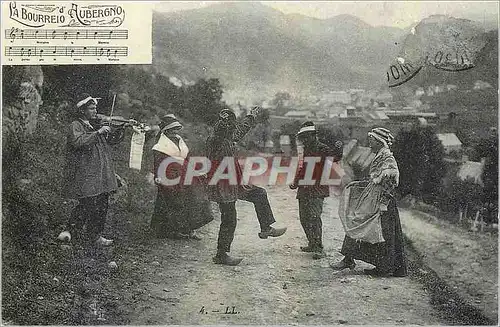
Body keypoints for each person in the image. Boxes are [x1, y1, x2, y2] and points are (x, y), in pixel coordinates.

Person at [206, 107, 287, 266]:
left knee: (260, 194)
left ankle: (266, 228)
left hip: (234, 183)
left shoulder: (228, 138)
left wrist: (250, 116)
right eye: (229, 126)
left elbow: (239, 131)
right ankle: (221, 254)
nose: (232, 129)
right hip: (222, 186)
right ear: (222, 126)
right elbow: (224, 130)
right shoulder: (215, 140)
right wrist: (224, 121)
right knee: (229, 219)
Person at [331, 127, 407, 277]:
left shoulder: (387, 158)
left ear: (380, 142)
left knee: (379, 232)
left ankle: (381, 267)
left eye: (372, 141)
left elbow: (391, 182)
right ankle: (351, 258)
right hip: (374, 197)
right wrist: (360, 184)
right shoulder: (380, 155)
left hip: (382, 202)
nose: (369, 144)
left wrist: (383, 203)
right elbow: (376, 179)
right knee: (364, 225)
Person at [60, 93, 125, 246]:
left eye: (95, 108)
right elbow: (77, 141)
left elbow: (110, 141)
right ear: (82, 110)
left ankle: (95, 236)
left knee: (102, 203)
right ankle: (70, 231)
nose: (95, 111)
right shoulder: (75, 125)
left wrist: (121, 130)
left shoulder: (92, 125)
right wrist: (98, 132)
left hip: (100, 172)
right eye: (91, 108)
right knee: (87, 203)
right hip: (86, 172)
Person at [149, 114, 213, 239]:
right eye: (172, 129)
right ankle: (173, 230)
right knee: (174, 201)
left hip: (185, 172)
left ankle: (190, 229)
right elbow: (158, 163)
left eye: (176, 129)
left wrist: (196, 171)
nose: (175, 132)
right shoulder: (160, 145)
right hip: (169, 174)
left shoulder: (179, 140)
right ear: (166, 130)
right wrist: (158, 177)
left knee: (195, 198)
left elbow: (187, 158)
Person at [289, 121, 343, 259]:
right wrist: (295, 182)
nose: (305, 139)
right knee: (304, 218)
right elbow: (301, 168)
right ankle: (312, 243)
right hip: (304, 188)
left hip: (317, 189)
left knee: (314, 217)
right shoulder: (304, 150)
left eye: (307, 136)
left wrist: (339, 148)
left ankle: (318, 247)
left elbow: (335, 158)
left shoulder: (322, 148)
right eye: (303, 137)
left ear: (314, 136)